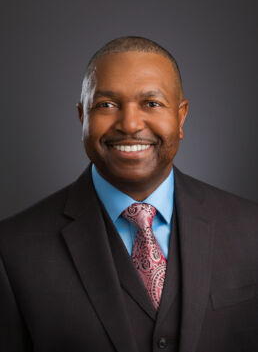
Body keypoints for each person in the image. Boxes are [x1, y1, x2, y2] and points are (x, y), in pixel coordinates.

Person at [0, 36, 257, 352]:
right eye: (106, 105)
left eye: (152, 103)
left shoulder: (251, 228)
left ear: (181, 117)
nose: (130, 124)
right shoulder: (12, 250)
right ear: (83, 117)